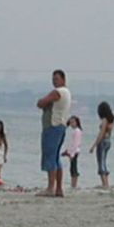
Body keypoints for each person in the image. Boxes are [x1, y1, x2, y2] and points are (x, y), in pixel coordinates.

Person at [36, 69, 71, 197]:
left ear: (63, 79)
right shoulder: (67, 93)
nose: (54, 81)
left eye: (56, 79)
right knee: (56, 157)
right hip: (60, 126)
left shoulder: (59, 92)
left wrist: (44, 102)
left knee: (51, 156)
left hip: (53, 126)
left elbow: (41, 102)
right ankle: (59, 188)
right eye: (53, 79)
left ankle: (51, 187)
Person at [89, 102, 114, 189]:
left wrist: (94, 145)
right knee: (104, 161)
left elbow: (101, 133)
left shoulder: (104, 120)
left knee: (101, 162)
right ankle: (106, 182)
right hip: (108, 141)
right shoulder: (112, 120)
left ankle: (104, 183)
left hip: (103, 141)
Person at [62, 116, 82, 189]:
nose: (71, 124)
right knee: (72, 168)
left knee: (73, 168)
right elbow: (72, 144)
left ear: (77, 122)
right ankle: (73, 184)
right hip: (73, 151)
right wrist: (67, 151)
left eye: (73, 122)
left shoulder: (77, 131)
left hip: (75, 152)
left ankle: (74, 185)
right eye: (70, 122)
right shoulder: (75, 131)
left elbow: (76, 144)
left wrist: (72, 154)